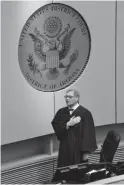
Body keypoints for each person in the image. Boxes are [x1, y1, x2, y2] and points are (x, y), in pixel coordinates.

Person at [51, 89, 97, 168]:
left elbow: (89, 134)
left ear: (77, 98)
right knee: (63, 171)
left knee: (77, 172)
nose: (67, 99)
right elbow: (55, 126)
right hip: (64, 148)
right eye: (66, 97)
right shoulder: (61, 112)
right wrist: (68, 124)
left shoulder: (85, 113)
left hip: (78, 150)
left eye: (69, 97)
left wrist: (86, 152)